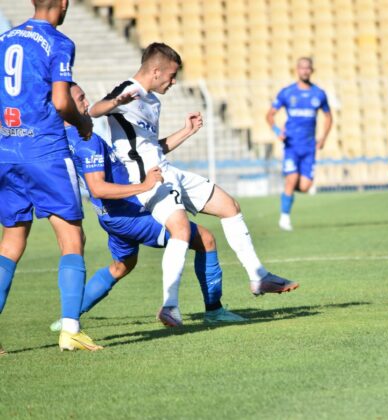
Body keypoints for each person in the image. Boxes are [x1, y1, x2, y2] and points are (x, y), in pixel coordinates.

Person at [88, 43, 297, 323]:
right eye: (172, 75)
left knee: (229, 207)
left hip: (166, 170)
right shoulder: (128, 90)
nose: (174, 81)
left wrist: (186, 131)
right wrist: (116, 102)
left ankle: (258, 276)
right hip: (149, 179)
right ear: (156, 70)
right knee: (181, 229)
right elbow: (95, 110)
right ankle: (170, 306)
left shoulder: (153, 101)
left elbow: (152, 147)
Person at [48, 83, 245, 332]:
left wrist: (185, 132)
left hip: (110, 216)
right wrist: (144, 186)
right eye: (81, 99)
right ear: (64, 105)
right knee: (205, 240)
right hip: (130, 214)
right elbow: (97, 188)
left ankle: (69, 318)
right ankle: (214, 311)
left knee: (122, 266)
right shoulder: (87, 141)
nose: (87, 103)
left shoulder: (64, 139)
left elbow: (148, 154)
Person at [0, 0, 101, 352]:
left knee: (11, 242)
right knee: (72, 238)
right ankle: (70, 329)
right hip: (45, 151)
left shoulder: (4, 39)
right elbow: (61, 101)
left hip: (7, 151)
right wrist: (83, 122)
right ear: (64, 3)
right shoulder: (58, 42)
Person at [266, 57, 333, 231]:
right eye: (302, 68)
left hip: (309, 147)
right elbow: (270, 115)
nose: (305, 71)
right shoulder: (287, 93)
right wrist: (277, 131)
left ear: (312, 70)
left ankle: (289, 185)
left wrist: (323, 138)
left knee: (305, 186)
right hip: (291, 146)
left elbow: (328, 117)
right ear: (297, 70)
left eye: (307, 68)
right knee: (292, 178)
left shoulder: (319, 94)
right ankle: (284, 218)